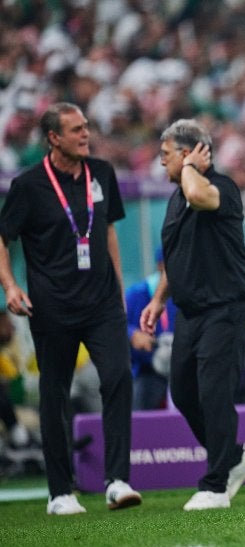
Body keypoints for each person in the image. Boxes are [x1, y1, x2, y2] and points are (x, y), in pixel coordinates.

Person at [0, 102, 142, 515]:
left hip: (102, 304)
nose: (86, 134)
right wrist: (10, 286)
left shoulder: (103, 173)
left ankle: (117, 481)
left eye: (86, 127)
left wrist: (118, 288)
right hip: (53, 308)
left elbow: (108, 230)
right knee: (54, 393)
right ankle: (60, 493)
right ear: (53, 138)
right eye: (76, 129)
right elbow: (2, 238)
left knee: (118, 379)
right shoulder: (28, 186)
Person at [140, 118, 245, 511]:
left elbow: (200, 197)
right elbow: (175, 258)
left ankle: (215, 485)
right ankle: (235, 459)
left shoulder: (220, 187)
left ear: (191, 153)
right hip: (191, 310)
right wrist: (159, 299)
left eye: (167, 154)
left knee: (213, 392)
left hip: (229, 305)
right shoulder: (176, 199)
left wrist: (192, 167)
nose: (162, 162)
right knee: (183, 391)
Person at [125, 247, 176, 410]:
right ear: (160, 266)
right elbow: (116, 323)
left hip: (180, 369)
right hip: (147, 370)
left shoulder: (183, 294)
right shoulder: (136, 294)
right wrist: (132, 334)